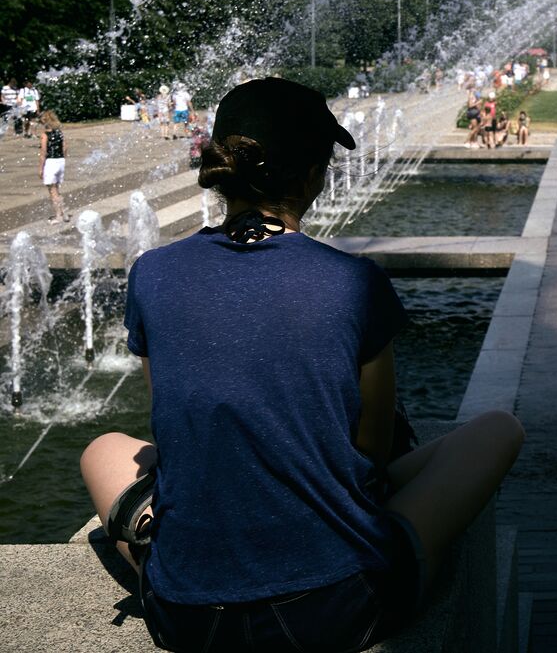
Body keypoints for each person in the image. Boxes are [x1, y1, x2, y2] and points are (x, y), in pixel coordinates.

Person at [79, 77, 524, 651]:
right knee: (497, 431)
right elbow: (369, 450)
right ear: (315, 174)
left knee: (102, 450)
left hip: (185, 613)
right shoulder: (353, 283)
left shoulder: (154, 273)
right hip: (337, 607)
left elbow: (174, 425)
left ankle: (156, 543)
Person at [38, 110, 69, 223]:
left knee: (52, 190)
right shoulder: (60, 132)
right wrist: (62, 159)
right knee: (57, 189)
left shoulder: (45, 135)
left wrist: (40, 168)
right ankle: (63, 213)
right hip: (60, 161)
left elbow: (43, 152)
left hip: (51, 162)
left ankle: (58, 216)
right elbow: (65, 147)